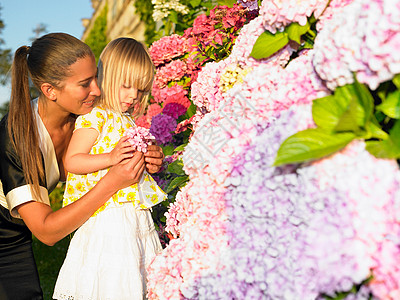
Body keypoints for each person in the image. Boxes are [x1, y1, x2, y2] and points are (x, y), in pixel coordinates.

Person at [0, 33, 164, 300]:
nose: (97, 90)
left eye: (96, 78)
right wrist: (113, 181)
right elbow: (47, 231)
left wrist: (146, 158)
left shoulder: (87, 115)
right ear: (50, 91)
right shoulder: (16, 138)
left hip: (18, 234)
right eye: (85, 84)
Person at [53, 38, 167, 300]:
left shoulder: (128, 121)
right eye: (126, 86)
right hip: (107, 216)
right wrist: (111, 157)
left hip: (134, 214)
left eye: (140, 90)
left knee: (136, 279)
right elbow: (73, 161)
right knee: (111, 281)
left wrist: (150, 159)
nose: (133, 96)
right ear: (106, 77)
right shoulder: (96, 116)